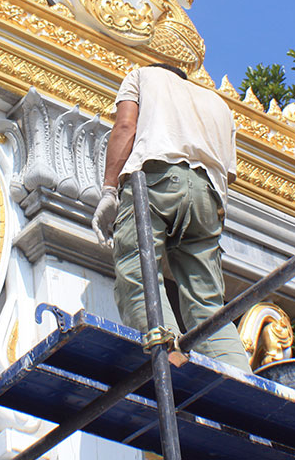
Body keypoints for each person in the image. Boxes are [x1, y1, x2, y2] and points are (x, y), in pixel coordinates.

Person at [92, 63, 251, 373]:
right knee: (207, 302)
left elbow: (125, 127)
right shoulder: (219, 104)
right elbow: (230, 172)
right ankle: (237, 374)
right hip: (209, 197)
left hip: (158, 179)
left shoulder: (141, 76)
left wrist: (110, 191)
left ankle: (167, 351)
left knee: (138, 270)